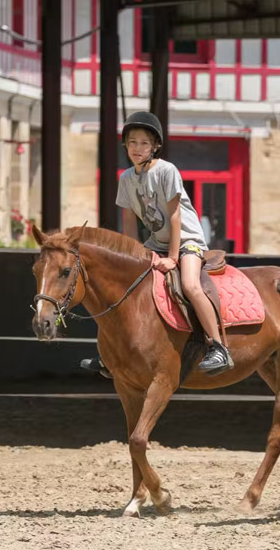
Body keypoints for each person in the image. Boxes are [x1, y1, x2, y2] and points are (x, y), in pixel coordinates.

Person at [82, 111, 232, 377]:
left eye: (143, 143)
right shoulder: (126, 178)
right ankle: (109, 354)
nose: (137, 148)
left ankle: (218, 347)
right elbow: (128, 220)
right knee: (120, 286)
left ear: (155, 147)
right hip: (154, 242)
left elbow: (175, 216)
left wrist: (173, 258)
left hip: (186, 240)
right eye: (132, 143)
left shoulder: (166, 170)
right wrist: (130, 255)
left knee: (190, 284)